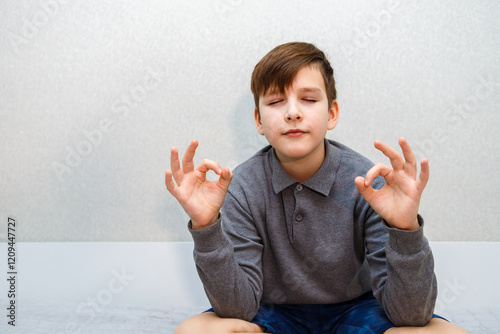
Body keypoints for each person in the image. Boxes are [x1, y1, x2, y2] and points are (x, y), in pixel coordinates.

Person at [165, 42, 468, 333]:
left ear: (331, 113)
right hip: (273, 312)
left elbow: (411, 315)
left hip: (357, 310)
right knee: (192, 330)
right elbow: (237, 310)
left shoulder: (369, 183)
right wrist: (206, 227)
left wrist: (405, 228)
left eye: (308, 100)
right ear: (258, 120)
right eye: (275, 102)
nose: (293, 112)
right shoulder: (240, 188)